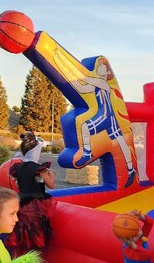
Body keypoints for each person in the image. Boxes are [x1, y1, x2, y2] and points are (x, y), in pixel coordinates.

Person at [53, 52, 137, 188]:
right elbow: (80, 87)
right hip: (108, 117)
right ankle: (130, 168)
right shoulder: (97, 84)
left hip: (105, 116)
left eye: (100, 67)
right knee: (121, 142)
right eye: (97, 66)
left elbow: (84, 79)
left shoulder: (103, 83)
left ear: (105, 71)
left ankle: (87, 152)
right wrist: (59, 65)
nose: (98, 68)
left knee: (85, 125)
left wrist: (59, 61)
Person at [4, 131, 56, 258]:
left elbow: (18, 183)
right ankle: (31, 261)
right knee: (34, 233)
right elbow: (51, 185)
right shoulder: (38, 168)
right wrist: (52, 175)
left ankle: (20, 259)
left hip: (21, 203)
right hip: (35, 206)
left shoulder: (19, 167)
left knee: (22, 232)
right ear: (36, 151)